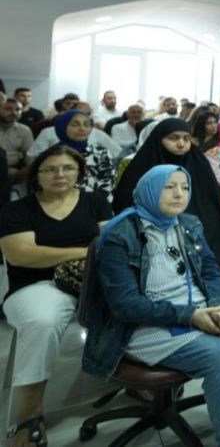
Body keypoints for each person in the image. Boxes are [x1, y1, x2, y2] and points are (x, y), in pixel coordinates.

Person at [84, 165, 220, 447]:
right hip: (144, 325)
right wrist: (191, 316)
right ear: (150, 190)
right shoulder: (120, 235)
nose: (180, 194)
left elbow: (212, 271)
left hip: (199, 308)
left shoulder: (188, 224)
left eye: (185, 187)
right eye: (169, 187)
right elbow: (125, 305)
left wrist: (217, 305)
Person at [0, 145, 112, 447]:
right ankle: (28, 415)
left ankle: (137, 380)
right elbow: (22, 255)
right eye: (50, 169)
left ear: (79, 172)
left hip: (92, 283)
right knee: (43, 319)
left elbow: (111, 246)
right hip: (37, 286)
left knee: (135, 302)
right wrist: (85, 251)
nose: (60, 174)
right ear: (36, 174)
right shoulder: (17, 210)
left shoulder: (95, 202)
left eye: (68, 168)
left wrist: (88, 255)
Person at [114, 118, 220, 269]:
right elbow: (125, 207)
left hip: (198, 239)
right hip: (150, 244)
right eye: (173, 138)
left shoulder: (199, 163)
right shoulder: (141, 167)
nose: (181, 144)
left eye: (186, 139)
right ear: (158, 140)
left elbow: (212, 210)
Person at [44, 110, 117, 200]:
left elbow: (108, 186)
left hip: (95, 207)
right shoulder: (51, 155)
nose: (82, 129)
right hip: (58, 205)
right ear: (62, 126)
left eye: (86, 125)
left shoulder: (101, 153)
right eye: (75, 125)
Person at [0, 98, 34, 186]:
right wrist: (5, 170)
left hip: (16, 170)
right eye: (8, 109)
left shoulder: (25, 130)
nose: (14, 113)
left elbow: (30, 154)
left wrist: (27, 169)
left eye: (18, 109)